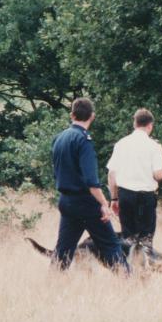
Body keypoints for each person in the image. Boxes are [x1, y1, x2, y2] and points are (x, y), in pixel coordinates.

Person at [51, 98, 130, 273]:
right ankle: (129, 281)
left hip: (66, 201)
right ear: (92, 117)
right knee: (110, 245)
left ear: (72, 115)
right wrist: (104, 205)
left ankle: (52, 282)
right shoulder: (83, 140)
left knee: (63, 250)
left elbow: (56, 172)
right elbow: (91, 182)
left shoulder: (59, 138)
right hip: (86, 203)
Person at [107, 108, 162, 245]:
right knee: (146, 238)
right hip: (146, 197)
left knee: (128, 238)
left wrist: (114, 198)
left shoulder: (121, 144)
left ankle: (129, 264)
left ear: (135, 124)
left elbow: (111, 174)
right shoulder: (155, 146)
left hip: (125, 196)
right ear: (150, 126)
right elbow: (158, 175)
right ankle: (144, 264)